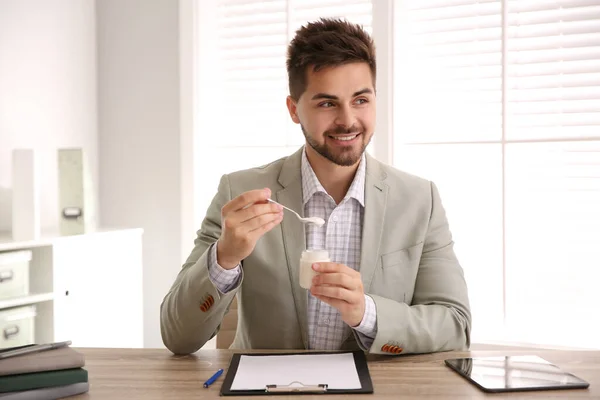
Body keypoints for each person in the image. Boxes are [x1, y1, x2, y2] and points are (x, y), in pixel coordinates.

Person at [160, 18, 471, 355]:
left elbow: (455, 325)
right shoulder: (240, 192)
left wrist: (367, 313)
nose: (348, 120)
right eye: (327, 103)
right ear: (294, 110)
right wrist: (224, 258)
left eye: (361, 100)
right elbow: (177, 336)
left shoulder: (419, 200)